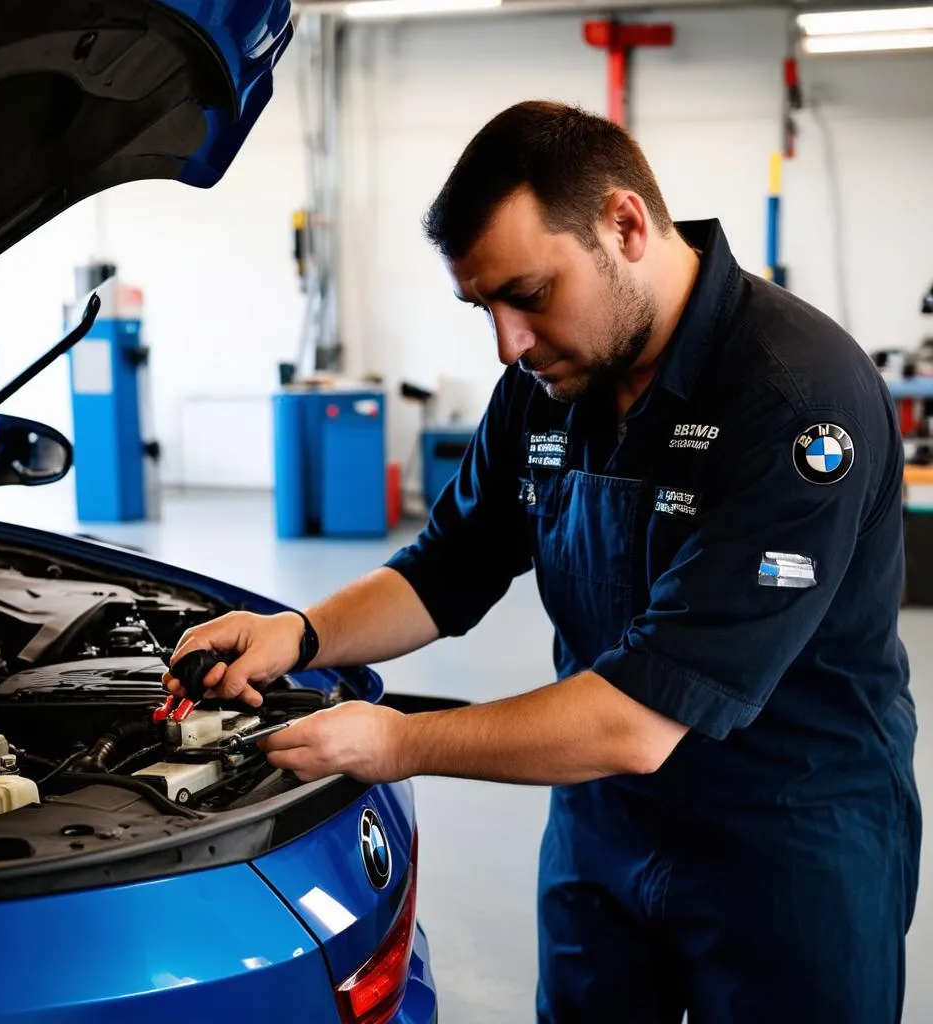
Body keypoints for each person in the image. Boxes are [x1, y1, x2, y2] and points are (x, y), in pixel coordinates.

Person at [164, 101, 921, 1023]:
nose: (508, 343)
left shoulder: (796, 400)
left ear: (625, 225)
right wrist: (302, 634)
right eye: (484, 306)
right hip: (602, 825)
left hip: (789, 840)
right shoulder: (548, 386)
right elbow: (448, 568)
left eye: (527, 293)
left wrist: (396, 742)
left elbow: (642, 720)